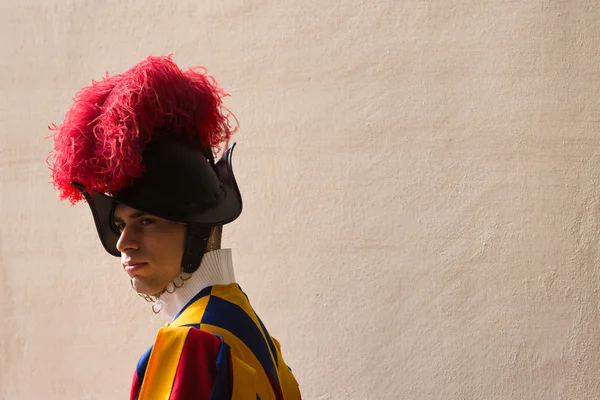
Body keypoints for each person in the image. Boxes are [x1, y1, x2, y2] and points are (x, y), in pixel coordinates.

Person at [48, 55, 301, 400]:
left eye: (147, 221)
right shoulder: (245, 322)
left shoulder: (192, 342)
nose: (124, 243)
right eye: (120, 224)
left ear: (202, 230)